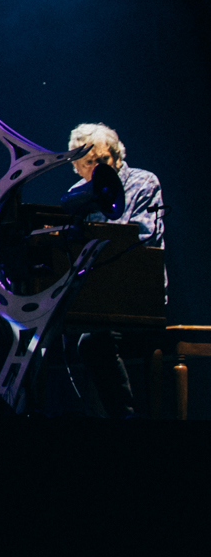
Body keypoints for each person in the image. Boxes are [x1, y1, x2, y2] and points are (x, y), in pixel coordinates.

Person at [61, 121, 165, 418]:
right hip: (96, 298)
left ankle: (125, 419)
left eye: (102, 160)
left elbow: (144, 238)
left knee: (93, 341)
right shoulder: (76, 193)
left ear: (117, 156)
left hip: (137, 296)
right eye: (88, 163)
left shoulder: (144, 182)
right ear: (78, 168)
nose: (95, 168)